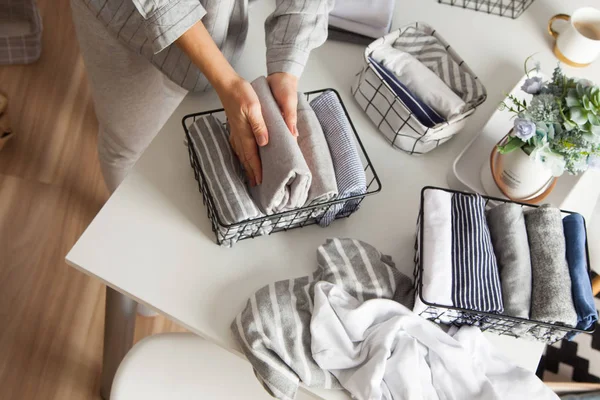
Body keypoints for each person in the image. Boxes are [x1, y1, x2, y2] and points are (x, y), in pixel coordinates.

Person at [70, 0, 333, 193]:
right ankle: (125, 226)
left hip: (218, 11)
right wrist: (224, 79)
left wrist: (286, 66)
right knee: (125, 142)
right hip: (122, 14)